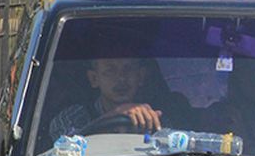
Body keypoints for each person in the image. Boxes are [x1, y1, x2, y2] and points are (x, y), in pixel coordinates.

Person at [50, 56, 179, 139]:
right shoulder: (72, 117)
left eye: (128, 69)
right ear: (94, 79)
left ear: (140, 76)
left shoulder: (154, 119)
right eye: (110, 71)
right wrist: (115, 116)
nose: (121, 78)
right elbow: (63, 146)